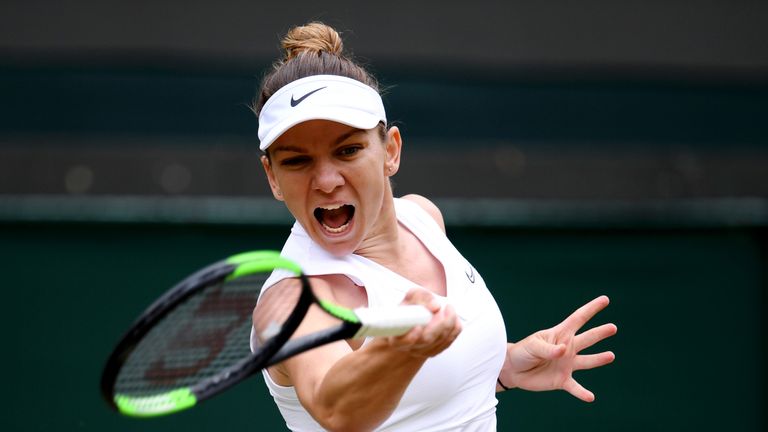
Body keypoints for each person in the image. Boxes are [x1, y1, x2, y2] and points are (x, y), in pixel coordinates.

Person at [251, 22, 617, 431]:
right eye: (297, 161)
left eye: (348, 150)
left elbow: (422, 400)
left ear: (390, 151)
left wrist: (503, 367)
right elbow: (336, 409)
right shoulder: (292, 302)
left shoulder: (423, 218)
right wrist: (399, 348)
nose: (326, 180)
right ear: (272, 178)